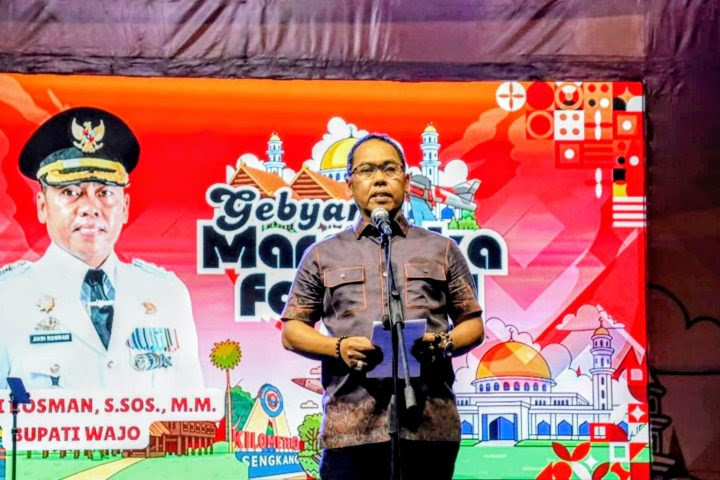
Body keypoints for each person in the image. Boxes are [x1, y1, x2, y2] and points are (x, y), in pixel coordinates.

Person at [281, 133, 485, 480]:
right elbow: (292, 331)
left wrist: (443, 343)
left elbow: (473, 324)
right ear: (349, 185)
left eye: (389, 169)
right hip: (351, 429)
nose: (379, 179)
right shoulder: (322, 255)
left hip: (429, 426)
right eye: (366, 170)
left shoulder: (442, 250)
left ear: (406, 181)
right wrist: (338, 348)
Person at [0, 107, 203, 391]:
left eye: (105, 192)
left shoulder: (167, 295)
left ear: (125, 207)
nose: (90, 208)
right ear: (42, 206)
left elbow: (191, 410)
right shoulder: (7, 298)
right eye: (71, 192)